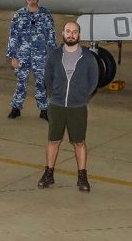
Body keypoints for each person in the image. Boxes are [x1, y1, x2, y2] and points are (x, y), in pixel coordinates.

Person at [37, 21, 99, 192]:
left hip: (77, 107)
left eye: (75, 32)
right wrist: (54, 95)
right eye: (68, 31)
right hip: (56, 105)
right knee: (53, 140)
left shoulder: (88, 57)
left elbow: (94, 81)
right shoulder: (54, 55)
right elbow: (47, 78)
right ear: (63, 34)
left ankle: (82, 176)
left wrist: (82, 97)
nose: (71, 34)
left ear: (79, 35)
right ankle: (48, 174)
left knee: (79, 142)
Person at [6, 0, 56, 120]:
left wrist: (52, 56)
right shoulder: (18, 15)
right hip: (23, 55)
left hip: (41, 56)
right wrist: (12, 56)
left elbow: (51, 37)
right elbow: (13, 37)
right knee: (21, 81)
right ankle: (16, 108)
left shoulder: (45, 15)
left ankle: (44, 110)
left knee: (41, 82)